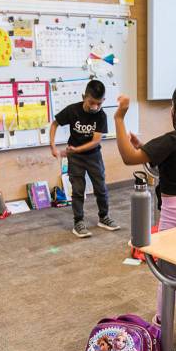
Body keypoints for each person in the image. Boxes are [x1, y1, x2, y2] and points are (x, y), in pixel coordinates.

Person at [112, 79, 176, 337]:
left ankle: (160, 325)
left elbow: (128, 158)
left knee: (166, 272)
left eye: (173, 104)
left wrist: (119, 119)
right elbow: (167, 166)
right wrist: (143, 148)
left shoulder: (171, 140)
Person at [49, 79, 120, 238]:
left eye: (99, 103)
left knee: (101, 188)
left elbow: (95, 141)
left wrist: (75, 149)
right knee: (78, 190)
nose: (95, 107)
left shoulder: (101, 116)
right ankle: (78, 222)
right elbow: (54, 124)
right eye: (91, 102)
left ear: (103, 101)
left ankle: (104, 217)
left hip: (93, 156)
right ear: (84, 97)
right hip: (76, 159)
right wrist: (53, 146)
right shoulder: (73, 111)